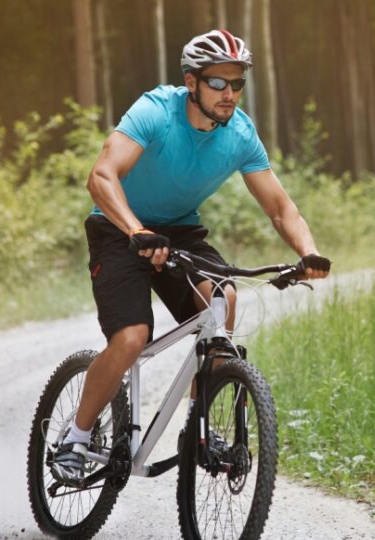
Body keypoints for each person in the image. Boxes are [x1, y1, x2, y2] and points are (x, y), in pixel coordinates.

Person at [51, 29, 330, 487]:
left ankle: (198, 430)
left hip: (179, 231)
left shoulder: (240, 134)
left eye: (237, 84)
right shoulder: (156, 112)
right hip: (119, 227)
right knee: (131, 338)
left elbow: (280, 208)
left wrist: (309, 252)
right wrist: (137, 230)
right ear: (192, 82)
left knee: (223, 300)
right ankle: (76, 439)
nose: (229, 94)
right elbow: (102, 176)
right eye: (218, 83)